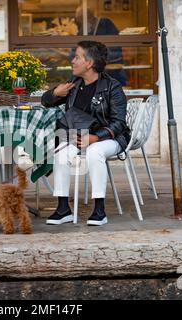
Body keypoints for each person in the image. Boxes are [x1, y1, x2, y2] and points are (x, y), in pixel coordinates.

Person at [41, 41, 130, 226]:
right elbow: (46, 102)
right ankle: (63, 209)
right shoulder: (73, 85)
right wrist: (55, 93)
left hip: (110, 138)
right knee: (61, 153)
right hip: (80, 136)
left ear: (89, 63)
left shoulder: (112, 87)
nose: (72, 60)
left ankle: (99, 210)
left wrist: (96, 137)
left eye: (77, 57)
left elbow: (119, 123)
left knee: (94, 151)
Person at [73, 6, 127, 86]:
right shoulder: (83, 30)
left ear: (90, 16)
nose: (81, 22)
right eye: (80, 19)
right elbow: (75, 50)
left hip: (112, 70)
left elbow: (116, 46)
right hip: (92, 73)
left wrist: (97, 58)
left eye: (82, 18)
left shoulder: (105, 23)